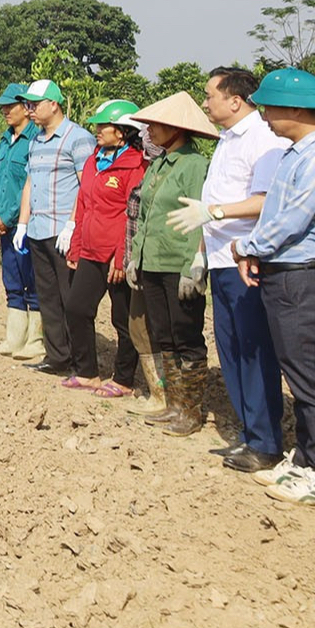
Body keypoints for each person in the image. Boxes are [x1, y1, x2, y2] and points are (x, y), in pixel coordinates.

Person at [231, 69, 315, 507]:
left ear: (295, 109)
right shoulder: (296, 152)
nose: (265, 117)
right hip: (282, 271)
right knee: (295, 370)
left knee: (310, 376)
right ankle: (307, 459)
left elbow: (293, 220)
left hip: (301, 275)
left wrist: (248, 245)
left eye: (270, 108)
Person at [167, 67, 290, 474]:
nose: (205, 103)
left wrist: (214, 212)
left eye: (210, 95)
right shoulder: (226, 141)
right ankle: (247, 433)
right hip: (220, 259)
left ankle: (266, 440)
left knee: (254, 351)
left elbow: (264, 200)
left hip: (246, 262)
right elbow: (214, 200)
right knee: (232, 350)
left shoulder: (263, 139)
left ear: (235, 100)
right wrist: (201, 251)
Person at [123, 92, 219, 434]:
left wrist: (196, 260)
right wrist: (136, 255)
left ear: (176, 129)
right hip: (153, 260)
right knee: (162, 335)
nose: (148, 130)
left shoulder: (194, 165)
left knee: (185, 336)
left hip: (178, 262)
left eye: (154, 125)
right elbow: (145, 214)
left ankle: (190, 411)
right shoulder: (159, 165)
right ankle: (173, 404)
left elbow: (200, 213)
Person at [57, 100, 148, 397]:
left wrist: (122, 257)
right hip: (91, 251)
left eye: (102, 126)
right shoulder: (94, 159)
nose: (97, 130)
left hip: (115, 256)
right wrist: (76, 246)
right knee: (76, 308)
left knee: (123, 320)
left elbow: (131, 214)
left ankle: (123, 379)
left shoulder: (135, 165)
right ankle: (87, 373)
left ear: (122, 132)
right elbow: (84, 205)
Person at [15, 79, 96, 376]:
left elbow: (86, 187)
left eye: (35, 105)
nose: (30, 110)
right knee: (47, 297)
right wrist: (23, 224)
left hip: (64, 232)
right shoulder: (35, 140)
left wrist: (73, 224)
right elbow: (29, 182)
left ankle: (80, 360)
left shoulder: (78, 139)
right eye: (28, 105)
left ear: (54, 104)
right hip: (37, 229)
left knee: (69, 298)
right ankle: (57, 356)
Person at [0, 82, 41, 359]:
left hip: (26, 225)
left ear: (26, 108)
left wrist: (8, 218)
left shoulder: (36, 141)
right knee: (12, 280)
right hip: (4, 225)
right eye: (3, 106)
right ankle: (13, 339)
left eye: (10, 106)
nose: (5, 111)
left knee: (33, 281)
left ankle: (36, 341)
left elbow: (30, 187)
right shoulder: (5, 140)